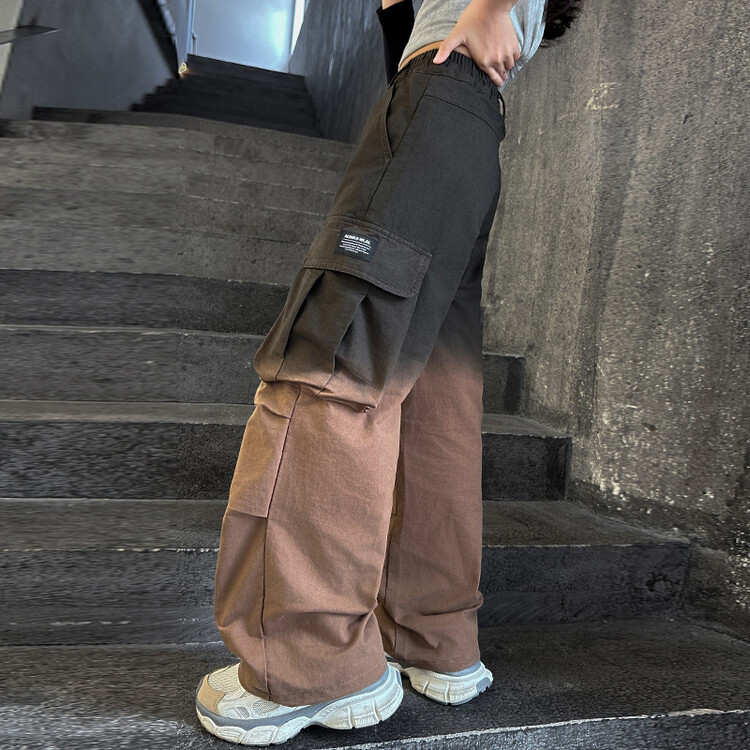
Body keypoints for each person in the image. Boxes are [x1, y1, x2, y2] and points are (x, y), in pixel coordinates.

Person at [195, 0, 583, 745]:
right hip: (470, 126)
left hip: (436, 99)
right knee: (437, 400)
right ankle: (434, 635)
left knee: (331, 357)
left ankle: (310, 664)